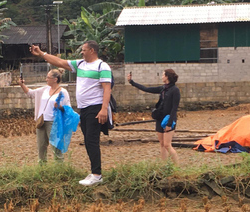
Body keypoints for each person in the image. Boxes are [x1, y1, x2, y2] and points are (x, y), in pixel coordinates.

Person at [30, 41, 112, 186]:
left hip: (95, 107)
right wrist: (42, 54)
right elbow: (60, 62)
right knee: (87, 140)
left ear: (92, 51)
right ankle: (94, 172)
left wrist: (104, 109)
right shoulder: (80, 64)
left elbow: (107, 88)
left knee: (92, 141)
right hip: (84, 108)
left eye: (84, 50)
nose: (81, 52)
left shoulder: (102, 66)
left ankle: (97, 175)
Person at [127, 69, 180, 164]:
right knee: (162, 144)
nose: (162, 76)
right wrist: (132, 82)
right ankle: (164, 166)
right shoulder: (163, 88)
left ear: (167, 77)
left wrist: (169, 123)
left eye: (163, 75)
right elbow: (146, 89)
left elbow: (174, 109)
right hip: (160, 118)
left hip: (169, 119)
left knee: (167, 144)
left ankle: (177, 167)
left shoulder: (175, 90)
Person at [20, 69, 71, 163]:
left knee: (56, 148)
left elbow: (68, 109)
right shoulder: (44, 89)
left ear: (55, 79)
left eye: (48, 77)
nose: (46, 79)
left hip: (54, 122)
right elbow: (30, 93)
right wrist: (22, 84)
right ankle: (42, 169)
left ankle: (60, 170)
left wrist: (59, 106)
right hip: (41, 121)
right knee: (41, 147)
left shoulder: (63, 92)